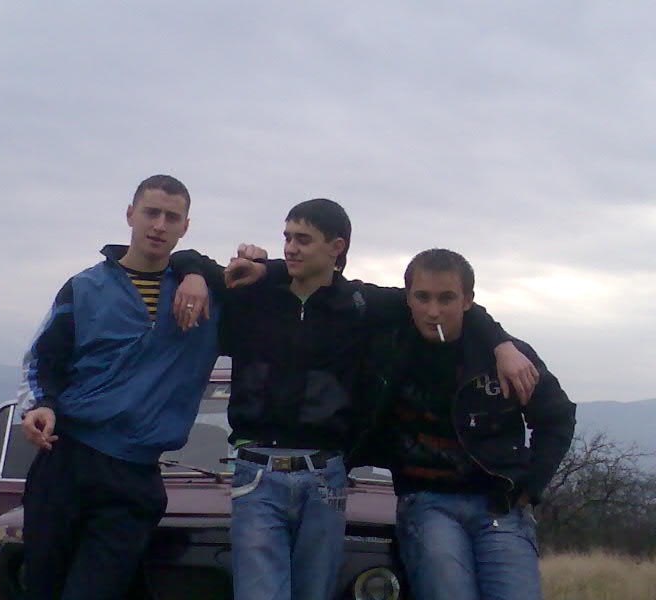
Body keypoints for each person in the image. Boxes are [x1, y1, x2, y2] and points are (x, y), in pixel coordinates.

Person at [179, 199, 538, 600]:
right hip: (254, 471)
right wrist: (199, 275)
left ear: (336, 247)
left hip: (325, 474)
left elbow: (442, 303)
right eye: (287, 238)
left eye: (303, 240)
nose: (291, 248)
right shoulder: (253, 293)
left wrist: (501, 343)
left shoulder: (360, 305)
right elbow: (186, 258)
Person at [16, 174, 225, 599]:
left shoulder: (208, 301)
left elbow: (275, 285)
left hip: (133, 475)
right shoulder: (85, 288)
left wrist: (198, 271)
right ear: (130, 214)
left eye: (172, 218)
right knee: (42, 588)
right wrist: (42, 405)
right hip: (66, 462)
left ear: (185, 227)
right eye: (151, 213)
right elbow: (43, 360)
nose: (159, 226)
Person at [353, 249, 576, 600]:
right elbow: (327, 286)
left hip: (499, 502)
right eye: (422, 297)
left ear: (468, 300)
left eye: (446, 298)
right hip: (426, 499)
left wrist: (531, 485)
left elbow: (557, 417)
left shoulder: (507, 357)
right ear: (407, 298)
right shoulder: (388, 350)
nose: (433, 311)